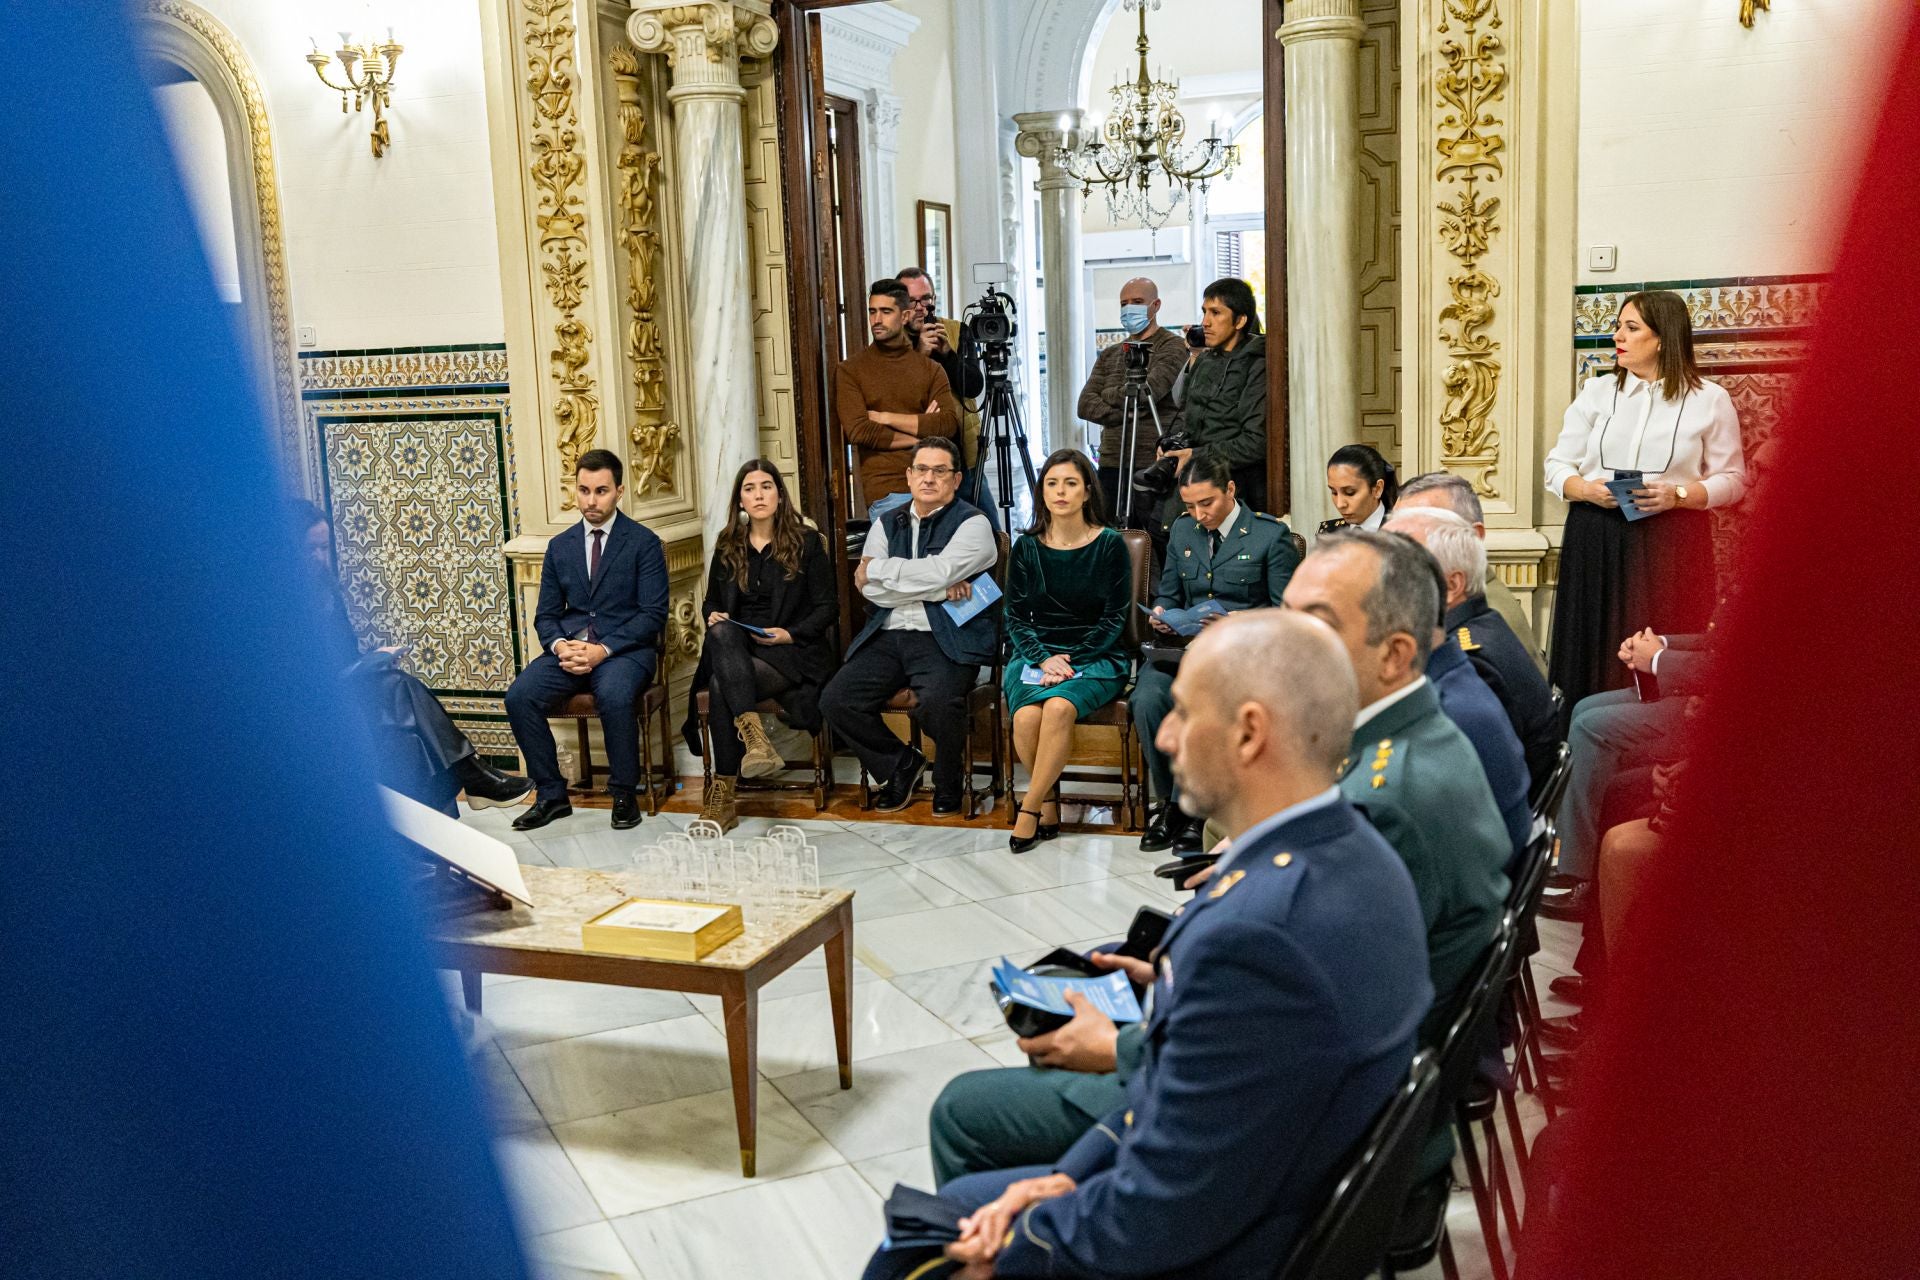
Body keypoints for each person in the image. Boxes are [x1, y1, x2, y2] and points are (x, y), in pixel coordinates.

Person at [874, 611, 1432, 1280]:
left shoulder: (1258, 937)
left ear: (1249, 732)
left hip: (1235, 1246)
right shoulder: (1350, 846)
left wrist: (1025, 1239)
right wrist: (1061, 1179)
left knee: (914, 1251)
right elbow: (1181, 1104)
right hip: (1249, 1190)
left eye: (1183, 713)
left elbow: (1168, 1206)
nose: (1163, 735)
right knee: (970, 1201)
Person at [1544, 288, 1745, 720]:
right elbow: (1556, 466)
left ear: (1663, 338)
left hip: (1670, 541)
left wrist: (1679, 496)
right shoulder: (1596, 392)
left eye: (1631, 328)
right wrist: (1586, 489)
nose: (1617, 335)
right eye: (1618, 325)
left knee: (1656, 638)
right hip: (1595, 534)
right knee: (1594, 647)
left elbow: (1734, 482)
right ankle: (1580, 746)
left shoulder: (1709, 399)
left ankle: (1645, 746)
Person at [296, 503, 532, 818]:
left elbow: (346, 655)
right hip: (304, 704)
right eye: (310, 549)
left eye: (324, 548)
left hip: (342, 690)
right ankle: (472, 776)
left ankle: (447, 811)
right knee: (399, 691)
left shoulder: (326, 591)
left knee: (402, 711)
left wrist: (374, 662)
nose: (319, 557)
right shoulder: (269, 604)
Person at [1134, 454, 1299, 855]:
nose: (1198, 514)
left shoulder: (1269, 536)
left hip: (1245, 657)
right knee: (1148, 697)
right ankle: (1172, 804)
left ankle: (1203, 813)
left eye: (1206, 503)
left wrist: (1241, 620)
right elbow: (1171, 593)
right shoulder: (1183, 533)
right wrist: (1161, 614)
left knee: (1209, 707)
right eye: (1189, 506)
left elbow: (1289, 612)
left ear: (1230, 490)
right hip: (1188, 652)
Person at [822, 438, 998, 814]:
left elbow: (939, 570)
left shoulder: (975, 524)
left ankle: (948, 780)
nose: (929, 478)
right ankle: (900, 764)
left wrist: (883, 571)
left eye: (940, 471)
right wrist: (934, 589)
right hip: (888, 633)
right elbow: (870, 590)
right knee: (836, 700)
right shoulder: (888, 522)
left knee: (937, 702)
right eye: (921, 469)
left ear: (956, 479)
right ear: (908, 475)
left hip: (946, 636)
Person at [505, 449, 669, 832]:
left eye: (601, 491)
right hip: (571, 650)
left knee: (613, 694)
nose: (591, 501)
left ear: (619, 492)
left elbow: (652, 614)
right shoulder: (559, 546)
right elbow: (545, 616)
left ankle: (624, 794)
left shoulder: (643, 543)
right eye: (583, 490)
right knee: (519, 697)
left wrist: (602, 650)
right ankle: (551, 796)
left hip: (624, 652)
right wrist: (562, 647)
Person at [681, 460, 838, 833]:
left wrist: (790, 634)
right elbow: (710, 602)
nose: (759, 495)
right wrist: (713, 615)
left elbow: (828, 607)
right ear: (740, 499)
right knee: (722, 633)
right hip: (738, 645)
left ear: (780, 496)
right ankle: (754, 741)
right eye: (750, 488)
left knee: (721, 685)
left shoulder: (806, 542)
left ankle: (724, 794)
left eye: (766, 486)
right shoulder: (728, 543)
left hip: (790, 649)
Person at [1002, 450, 1132, 852]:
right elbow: (1016, 616)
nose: (1060, 492)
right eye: (1052, 483)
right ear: (1042, 492)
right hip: (1036, 652)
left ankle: (1031, 808)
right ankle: (1050, 803)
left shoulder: (1109, 544)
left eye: (1071, 483)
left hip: (1098, 653)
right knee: (1025, 717)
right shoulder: (1026, 546)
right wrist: (1043, 658)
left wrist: (1071, 660)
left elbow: (1116, 616)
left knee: (1059, 707)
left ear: (1087, 491)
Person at [1388, 507, 1562, 793]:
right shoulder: (1482, 624)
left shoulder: (1469, 662)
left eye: (1397, 569)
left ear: (1451, 585)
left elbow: (1458, 784)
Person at [1396, 469, 1547, 674]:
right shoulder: (1463, 600)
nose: (1397, 552)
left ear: (1473, 535)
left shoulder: (1479, 632)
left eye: (1421, 533)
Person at [837, 278, 963, 512]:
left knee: (976, 531)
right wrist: (922, 437)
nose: (876, 320)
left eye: (886, 311)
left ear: (904, 316)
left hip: (936, 485)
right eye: (872, 312)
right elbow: (860, 431)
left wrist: (885, 418)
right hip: (888, 488)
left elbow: (947, 424)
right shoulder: (849, 370)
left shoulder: (930, 369)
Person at [1075, 276, 1186, 520]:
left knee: (1151, 538)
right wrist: (1129, 409)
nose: (1128, 309)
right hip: (1112, 460)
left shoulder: (1173, 347)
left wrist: (1108, 394)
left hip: (1152, 461)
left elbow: (1149, 392)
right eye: (1124, 303)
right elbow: (1084, 405)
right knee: (1110, 533)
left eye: (1137, 301)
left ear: (1155, 306)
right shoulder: (1111, 353)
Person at [1162, 276, 1267, 517]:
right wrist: (1173, 446)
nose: (1205, 322)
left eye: (1216, 313)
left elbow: (1255, 442)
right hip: (1193, 482)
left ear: (1240, 320)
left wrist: (1195, 455)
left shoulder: (1258, 363)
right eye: (1204, 312)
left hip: (1235, 489)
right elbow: (1186, 416)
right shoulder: (1206, 360)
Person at [899, 266, 990, 518]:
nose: (920, 308)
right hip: (919, 459)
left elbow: (974, 387)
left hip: (964, 456)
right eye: (912, 301)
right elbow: (900, 396)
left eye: (926, 300)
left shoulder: (957, 330)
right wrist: (920, 354)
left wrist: (948, 354)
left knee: (988, 526)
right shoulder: (893, 343)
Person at [1317, 442, 1398, 536]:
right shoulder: (1328, 532)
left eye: (1350, 492)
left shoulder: (1402, 533)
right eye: (1334, 492)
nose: (1340, 504)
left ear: (1377, 489)